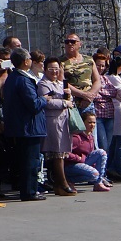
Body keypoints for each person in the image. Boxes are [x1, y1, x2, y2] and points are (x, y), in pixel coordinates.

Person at [4, 48, 48, 201]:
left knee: (25, 160)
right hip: (28, 128)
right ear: (25, 61)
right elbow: (34, 104)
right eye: (29, 58)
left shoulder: (13, 77)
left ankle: (28, 189)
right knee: (31, 161)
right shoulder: (23, 80)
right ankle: (29, 191)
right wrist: (44, 99)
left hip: (21, 126)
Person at [39, 57, 77, 196]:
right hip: (53, 121)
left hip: (64, 120)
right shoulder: (44, 83)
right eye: (51, 69)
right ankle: (62, 182)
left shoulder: (61, 83)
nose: (54, 72)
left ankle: (59, 183)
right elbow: (47, 102)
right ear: (45, 69)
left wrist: (69, 97)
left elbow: (69, 101)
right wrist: (64, 103)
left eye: (56, 68)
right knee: (57, 153)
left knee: (62, 153)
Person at [65, 111, 110, 190]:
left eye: (94, 122)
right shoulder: (77, 137)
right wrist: (78, 158)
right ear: (83, 123)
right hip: (72, 165)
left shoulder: (90, 136)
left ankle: (98, 183)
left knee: (101, 152)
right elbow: (65, 153)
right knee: (94, 174)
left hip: (83, 162)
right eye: (89, 122)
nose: (92, 125)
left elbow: (90, 154)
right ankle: (68, 180)